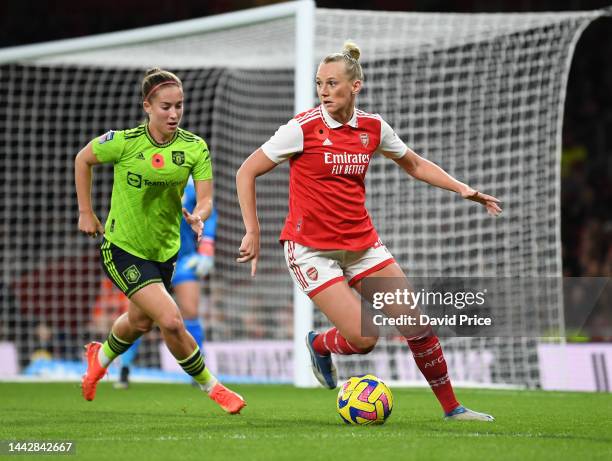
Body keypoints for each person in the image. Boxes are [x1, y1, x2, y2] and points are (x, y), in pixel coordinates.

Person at [236, 42, 501, 421]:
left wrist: (462, 188)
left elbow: (414, 163)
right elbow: (247, 171)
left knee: (417, 325)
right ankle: (321, 343)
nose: (324, 91)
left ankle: (453, 409)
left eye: (332, 83)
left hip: (362, 244)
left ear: (355, 86)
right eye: (319, 84)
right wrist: (253, 230)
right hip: (311, 249)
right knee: (364, 339)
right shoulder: (302, 128)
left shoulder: (373, 127)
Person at [75, 67, 245, 414]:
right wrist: (86, 212)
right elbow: (83, 159)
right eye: (166, 106)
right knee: (170, 319)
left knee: (139, 322)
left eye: (179, 106)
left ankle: (99, 358)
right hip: (123, 247)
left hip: (165, 251)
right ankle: (213, 387)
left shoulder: (194, 147)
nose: (173, 113)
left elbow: (207, 198)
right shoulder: (123, 142)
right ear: (147, 106)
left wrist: (199, 213)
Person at [114, 181, 217, 389]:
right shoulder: (151, 176)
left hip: (184, 259)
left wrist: (207, 245)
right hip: (151, 259)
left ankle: (198, 369)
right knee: (141, 317)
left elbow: (209, 211)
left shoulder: (192, 184)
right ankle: (124, 365)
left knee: (190, 311)